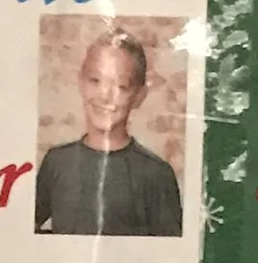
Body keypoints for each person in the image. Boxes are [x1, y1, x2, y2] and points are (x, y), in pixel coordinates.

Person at [33, 30, 182, 237]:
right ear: (81, 83)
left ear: (139, 95)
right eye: (95, 81)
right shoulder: (56, 162)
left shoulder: (156, 175)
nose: (105, 97)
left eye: (121, 86)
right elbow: (25, 234)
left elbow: (170, 252)